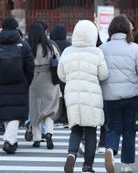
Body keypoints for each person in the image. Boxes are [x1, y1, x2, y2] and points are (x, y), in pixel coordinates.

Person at [99, 14, 138, 173]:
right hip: (131, 95)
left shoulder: (102, 49)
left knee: (113, 127)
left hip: (110, 96)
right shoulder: (135, 48)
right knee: (129, 129)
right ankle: (126, 166)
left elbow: (100, 73)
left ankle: (110, 149)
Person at [57, 20, 109, 173]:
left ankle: (71, 154)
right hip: (91, 94)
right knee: (91, 130)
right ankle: (87, 165)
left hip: (72, 93)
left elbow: (61, 75)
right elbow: (104, 74)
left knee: (76, 129)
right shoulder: (97, 52)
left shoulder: (67, 52)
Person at [0, 17, 34, 154]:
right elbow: (30, 67)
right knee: (16, 114)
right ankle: (9, 141)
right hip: (19, 84)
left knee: (6, 112)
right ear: (16, 28)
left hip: (0, 83)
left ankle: (12, 141)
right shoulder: (23, 45)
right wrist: (26, 81)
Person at [27, 21, 61, 149]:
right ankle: (48, 133)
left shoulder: (29, 47)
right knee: (49, 110)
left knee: (35, 110)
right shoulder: (51, 46)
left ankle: (36, 139)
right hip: (49, 79)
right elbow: (59, 61)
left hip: (34, 80)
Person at [49, 23, 71, 127]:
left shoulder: (51, 44)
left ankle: (56, 117)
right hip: (67, 73)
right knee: (66, 95)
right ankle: (66, 118)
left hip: (53, 73)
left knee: (56, 95)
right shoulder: (69, 45)